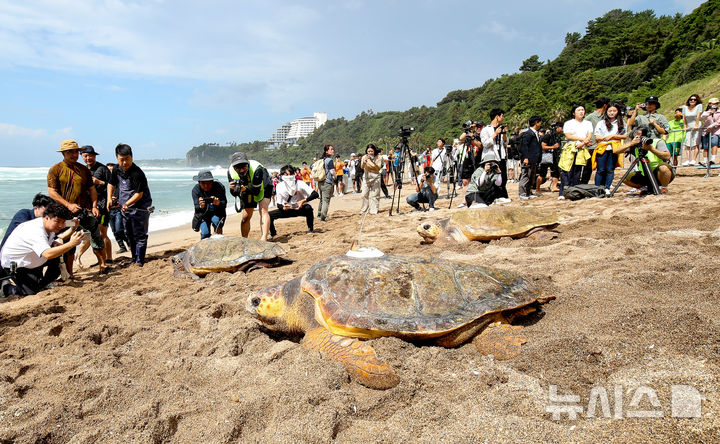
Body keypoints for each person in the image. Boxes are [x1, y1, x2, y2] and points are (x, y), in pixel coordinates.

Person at [47, 139, 106, 275]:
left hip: (85, 210)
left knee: (96, 236)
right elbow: (52, 192)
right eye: (70, 152)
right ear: (63, 153)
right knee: (69, 242)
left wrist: (95, 206)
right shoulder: (55, 169)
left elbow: (92, 189)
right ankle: (70, 273)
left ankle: (103, 265)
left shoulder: (83, 169)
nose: (74, 155)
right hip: (64, 214)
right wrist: (68, 205)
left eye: (76, 152)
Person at [1, 201, 84, 296]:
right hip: (18, 264)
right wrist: (71, 243)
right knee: (29, 293)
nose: (60, 225)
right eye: (57, 222)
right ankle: (6, 288)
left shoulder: (50, 223)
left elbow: (67, 223)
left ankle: (42, 285)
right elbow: (47, 254)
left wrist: (74, 226)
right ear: (46, 218)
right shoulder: (36, 231)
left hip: (33, 258)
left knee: (60, 255)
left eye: (63, 222)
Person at [107, 144, 153, 266]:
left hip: (140, 207)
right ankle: (133, 257)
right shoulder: (116, 169)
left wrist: (127, 203)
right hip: (125, 208)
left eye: (127, 158)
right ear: (117, 158)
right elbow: (111, 184)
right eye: (121, 159)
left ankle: (140, 260)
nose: (124, 162)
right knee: (128, 233)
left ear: (132, 157)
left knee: (139, 234)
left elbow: (139, 194)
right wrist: (109, 199)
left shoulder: (137, 173)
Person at [76, 145, 113, 266]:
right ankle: (99, 260)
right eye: (85, 156)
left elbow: (112, 185)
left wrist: (99, 182)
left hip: (102, 205)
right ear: (81, 157)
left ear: (95, 156)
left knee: (102, 233)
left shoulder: (102, 169)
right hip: (88, 206)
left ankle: (109, 259)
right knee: (90, 234)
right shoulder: (82, 170)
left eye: (91, 155)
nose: (88, 158)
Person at [613, 126, 674, 192]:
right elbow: (616, 151)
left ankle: (664, 188)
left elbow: (667, 156)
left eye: (641, 136)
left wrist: (651, 149)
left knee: (663, 168)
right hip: (644, 174)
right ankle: (644, 189)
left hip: (659, 173)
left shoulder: (657, 142)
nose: (640, 138)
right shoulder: (634, 145)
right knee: (624, 178)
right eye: (637, 136)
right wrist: (631, 143)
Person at [227, 152, 272, 240]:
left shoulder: (257, 169)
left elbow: (256, 192)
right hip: (247, 188)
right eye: (238, 168)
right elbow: (234, 194)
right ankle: (244, 239)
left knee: (263, 210)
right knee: (246, 216)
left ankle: (264, 238)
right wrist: (232, 189)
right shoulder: (231, 172)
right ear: (234, 167)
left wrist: (245, 190)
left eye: (244, 166)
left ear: (248, 164)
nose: (241, 170)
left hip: (264, 185)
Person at [269, 165, 318, 237]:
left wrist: (303, 201)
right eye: (286, 174)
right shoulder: (279, 186)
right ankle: (273, 233)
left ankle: (311, 229)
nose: (289, 176)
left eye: (291, 174)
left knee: (308, 208)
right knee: (269, 215)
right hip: (288, 208)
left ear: (294, 174)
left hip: (301, 207)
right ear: (282, 175)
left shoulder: (300, 183)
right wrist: (283, 207)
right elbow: (279, 204)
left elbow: (315, 194)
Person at [559, 104, 594, 199]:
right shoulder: (569, 123)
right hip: (571, 148)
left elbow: (589, 135)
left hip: (582, 148)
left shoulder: (588, 123)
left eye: (583, 110)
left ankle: (574, 192)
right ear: (574, 112)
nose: (581, 112)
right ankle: (563, 192)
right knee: (567, 170)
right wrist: (583, 139)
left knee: (577, 171)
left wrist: (582, 143)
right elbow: (568, 136)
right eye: (579, 110)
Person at [593, 102, 626, 192]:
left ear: (617, 111)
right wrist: (605, 138)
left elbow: (624, 136)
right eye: (610, 111)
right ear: (606, 111)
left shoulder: (621, 122)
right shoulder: (601, 123)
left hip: (614, 149)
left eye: (614, 111)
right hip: (602, 148)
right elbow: (597, 137)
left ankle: (607, 187)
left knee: (610, 169)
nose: (611, 113)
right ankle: (597, 188)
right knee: (600, 169)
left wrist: (612, 136)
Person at [480, 109, 511, 203]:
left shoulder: (501, 128)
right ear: (497, 116)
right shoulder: (485, 129)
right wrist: (495, 134)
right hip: (490, 156)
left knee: (503, 177)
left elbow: (506, 143)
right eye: (502, 116)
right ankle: (492, 198)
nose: (503, 118)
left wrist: (504, 134)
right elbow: (485, 143)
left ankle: (502, 195)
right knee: (491, 178)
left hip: (501, 156)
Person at [191, 170, 227, 239]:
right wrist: (201, 206)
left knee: (217, 223)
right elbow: (197, 207)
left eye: (209, 183)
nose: (206, 185)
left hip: (217, 212)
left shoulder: (219, 187)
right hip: (203, 214)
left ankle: (219, 242)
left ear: (212, 182)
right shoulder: (196, 190)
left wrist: (218, 203)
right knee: (205, 233)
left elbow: (224, 203)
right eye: (203, 183)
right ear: (199, 183)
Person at [581, 97, 609, 184]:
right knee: (588, 168)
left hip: (603, 146)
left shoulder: (606, 117)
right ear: (605, 106)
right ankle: (584, 185)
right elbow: (581, 128)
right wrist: (586, 140)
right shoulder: (590, 117)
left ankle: (601, 186)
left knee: (603, 168)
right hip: (592, 147)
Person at [457, 121, 484, 207]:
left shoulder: (484, 136)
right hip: (468, 158)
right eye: (477, 127)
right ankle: (465, 200)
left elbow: (480, 146)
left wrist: (472, 138)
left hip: (478, 160)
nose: (478, 128)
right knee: (465, 181)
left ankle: (479, 199)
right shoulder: (471, 134)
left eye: (480, 127)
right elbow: (461, 138)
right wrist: (468, 129)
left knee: (478, 180)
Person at [105, 162, 129, 253]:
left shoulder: (120, 182)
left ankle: (129, 242)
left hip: (119, 209)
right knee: (114, 230)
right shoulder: (106, 184)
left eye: (112, 170)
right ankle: (122, 247)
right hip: (109, 210)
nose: (110, 172)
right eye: (108, 170)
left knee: (119, 229)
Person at [518, 116, 543, 199]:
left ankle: (528, 192)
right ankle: (522, 193)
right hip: (528, 159)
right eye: (540, 122)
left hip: (534, 159)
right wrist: (525, 157)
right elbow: (524, 146)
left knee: (531, 176)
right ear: (536, 122)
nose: (541, 124)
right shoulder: (528, 133)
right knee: (525, 175)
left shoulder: (535, 133)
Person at [536, 124, 562, 193]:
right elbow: (543, 146)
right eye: (560, 127)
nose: (561, 129)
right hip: (546, 157)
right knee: (542, 173)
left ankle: (554, 187)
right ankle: (537, 189)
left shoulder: (556, 137)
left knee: (556, 172)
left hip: (554, 157)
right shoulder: (548, 136)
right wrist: (553, 147)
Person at [359, 143, 383, 215]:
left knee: (375, 195)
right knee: (364, 194)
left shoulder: (379, 157)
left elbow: (378, 168)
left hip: (376, 177)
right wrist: (364, 161)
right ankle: (364, 209)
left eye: (371, 151)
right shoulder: (364, 157)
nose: (370, 153)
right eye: (368, 151)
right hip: (366, 177)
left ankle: (374, 210)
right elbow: (362, 167)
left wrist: (371, 162)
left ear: (374, 151)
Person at [681, 94, 703, 166]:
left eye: (694, 99)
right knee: (687, 143)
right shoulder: (685, 107)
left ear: (697, 101)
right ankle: (688, 159)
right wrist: (685, 125)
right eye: (691, 99)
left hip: (695, 125)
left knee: (695, 142)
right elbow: (684, 117)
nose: (692, 101)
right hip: (689, 126)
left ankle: (694, 159)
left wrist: (696, 125)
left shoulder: (699, 106)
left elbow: (698, 116)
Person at [316, 145, 336, 221]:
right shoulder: (329, 160)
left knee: (321, 199)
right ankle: (323, 217)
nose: (333, 151)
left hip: (320, 182)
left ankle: (319, 214)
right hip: (327, 182)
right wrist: (335, 176)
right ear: (326, 151)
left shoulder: (322, 160)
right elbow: (332, 171)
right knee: (326, 200)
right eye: (331, 149)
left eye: (333, 149)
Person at [700, 98, 720, 169]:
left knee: (714, 144)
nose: (715, 105)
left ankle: (713, 159)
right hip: (706, 132)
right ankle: (705, 161)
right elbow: (703, 117)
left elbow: (718, 122)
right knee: (705, 146)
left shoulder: (719, 112)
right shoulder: (706, 112)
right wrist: (710, 112)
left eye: (716, 104)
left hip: (715, 131)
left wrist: (711, 126)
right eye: (713, 103)